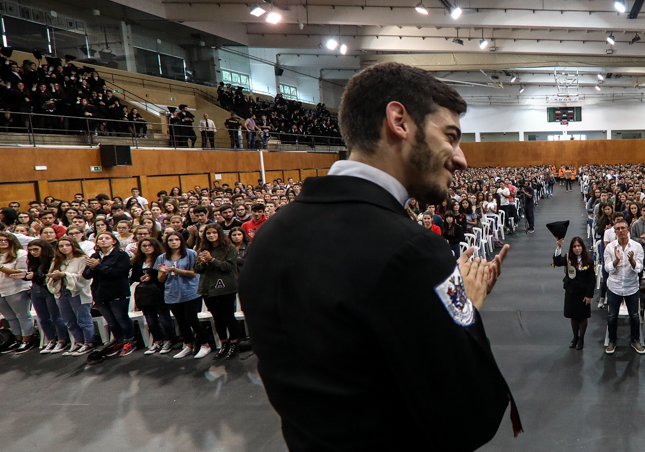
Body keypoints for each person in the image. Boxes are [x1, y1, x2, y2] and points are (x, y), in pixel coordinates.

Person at [239, 62, 519, 451]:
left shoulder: (270, 236)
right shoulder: (414, 252)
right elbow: (471, 418)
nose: (460, 158)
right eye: (450, 136)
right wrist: (463, 306)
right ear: (399, 120)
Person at [155, 232, 212, 359]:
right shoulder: (162, 257)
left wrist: (175, 270)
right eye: (170, 240)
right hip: (172, 293)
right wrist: (164, 272)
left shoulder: (190, 254)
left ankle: (205, 344)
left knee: (192, 319)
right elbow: (160, 279)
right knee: (181, 321)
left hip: (190, 291)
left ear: (181, 241)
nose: (173, 242)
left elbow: (194, 273)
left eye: (176, 239)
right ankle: (187, 345)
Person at [83, 232, 137, 357]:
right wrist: (92, 268)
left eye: (107, 238)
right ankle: (118, 340)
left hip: (117, 292)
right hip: (100, 293)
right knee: (111, 321)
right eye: (100, 238)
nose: (103, 240)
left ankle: (129, 340)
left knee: (122, 319)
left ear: (114, 241)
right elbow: (86, 275)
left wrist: (98, 267)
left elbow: (119, 273)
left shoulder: (121, 255)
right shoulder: (95, 255)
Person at [195, 224, 243, 359]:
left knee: (228, 316)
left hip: (225, 286)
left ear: (219, 234)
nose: (211, 236)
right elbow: (197, 269)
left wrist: (212, 260)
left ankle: (234, 343)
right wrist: (203, 262)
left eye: (214, 233)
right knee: (217, 318)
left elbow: (229, 267)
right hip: (207, 287)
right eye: (208, 233)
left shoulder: (229, 248)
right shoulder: (203, 249)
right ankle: (224, 343)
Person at [46, 236, 96, 356]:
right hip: (62, 291)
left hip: (78, 292)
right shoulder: (57, 260)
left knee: (83, 319)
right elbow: (50, 276)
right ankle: (78, 341)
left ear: (73, 245)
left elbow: (84, 278)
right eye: (61, 246)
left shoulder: (82, 259)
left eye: (67, 245)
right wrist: (55, 276)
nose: (64, 248)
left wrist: (65, 274)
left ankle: (88, 343)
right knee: (69, 320)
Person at [603, 218, 645, 355]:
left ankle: (635, 340)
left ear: (628, 230)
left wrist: (632, 261)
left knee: (634, 315)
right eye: (618, 229)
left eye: (623, 228)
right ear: (615, 231)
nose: (621, 231)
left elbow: (639, 269)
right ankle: (612, 340)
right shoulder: (610, 247)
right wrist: (617, 260)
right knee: (612, 316)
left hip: (631, 287)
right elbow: (608, 268)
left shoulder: (637, 247)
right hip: (615, 287)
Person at [131, 238, 177, 355]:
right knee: (150, 319)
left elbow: (164, 276)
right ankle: (157, 341)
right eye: (144, 246)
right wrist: (140, 278)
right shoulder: (138, 261)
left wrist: (152, 276)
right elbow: (134, 277)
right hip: (145, 294)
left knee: (164, 318)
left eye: (150, 245)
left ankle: (170, 340)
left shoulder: (161, 258)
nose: (147, 248)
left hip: (159, 292)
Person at [554, 236, 595, 350]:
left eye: (579, 246)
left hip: (583, 293)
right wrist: (559, 246)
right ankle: (575, 337)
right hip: (571, 292)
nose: (577, 248)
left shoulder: (589, 261)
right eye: (574, 246)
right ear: (571, 248)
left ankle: (581, 338)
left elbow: (592, 279)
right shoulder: (568, 258)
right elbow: (556, 262)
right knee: (573, 316)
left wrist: (589, 295)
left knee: (582, 317)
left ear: (582, 247)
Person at [0, 232, 35, 353]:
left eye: (5, 240)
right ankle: (18, 340)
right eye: (0, 240)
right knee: (10, 317)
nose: (3, 242)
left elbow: (21, 273)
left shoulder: (21, 254)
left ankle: (27, 340)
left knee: (22, 315)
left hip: (16, 288)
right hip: (1, 290)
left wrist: (1, 268)